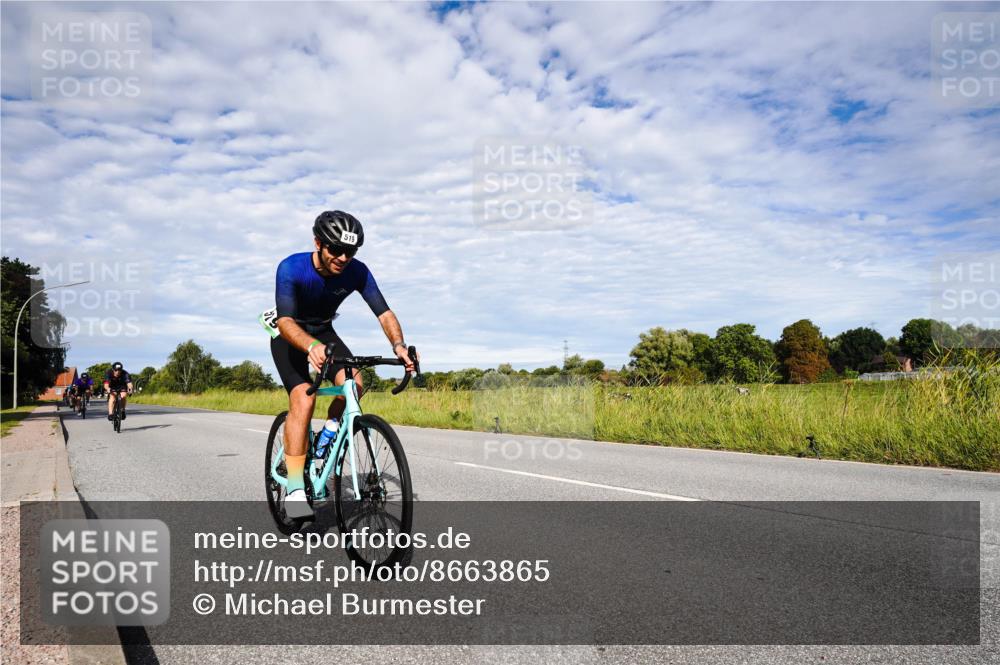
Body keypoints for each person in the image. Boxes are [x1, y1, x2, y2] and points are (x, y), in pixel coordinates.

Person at [268, 210, 417, 518]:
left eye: (350, 251)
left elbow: (384, 314)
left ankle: (330, 431)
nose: (343, 257)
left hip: (324, 329)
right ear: (318, 243)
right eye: (335, 249)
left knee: (355, 385)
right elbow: (283, 321)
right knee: (303, 399)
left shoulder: (357, 271)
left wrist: (399, 345)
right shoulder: (291, 268)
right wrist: (310, 345)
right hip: (290, 333)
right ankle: (295, 489)